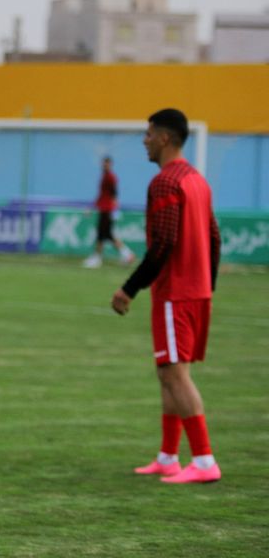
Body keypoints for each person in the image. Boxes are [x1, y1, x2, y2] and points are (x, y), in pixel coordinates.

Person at [110, 108, 222, 484]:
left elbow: (164, 244)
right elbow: (214, 237)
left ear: (165, 138)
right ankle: (168, 456)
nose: (144, 140)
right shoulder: (197, 181)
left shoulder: (165, 182)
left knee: (175, 374)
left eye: (148, 133)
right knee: (169, 372)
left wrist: (129, 288)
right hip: (196, 289)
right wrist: (208, 283)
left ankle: (204, 460)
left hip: (177, 291)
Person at [83, 156, 135, 268]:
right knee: (105, 235)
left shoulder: (111, 177)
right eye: (103, 163)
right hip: (104, 208)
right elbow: (102, 195)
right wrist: (92, 207)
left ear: (110, 164)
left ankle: (98, 258)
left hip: (107, 209)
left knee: (103, 235)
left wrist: (114, 209)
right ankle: (126, 254)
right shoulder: (105, 176)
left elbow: (114, 194)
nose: (104, 165)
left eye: (106, 163)